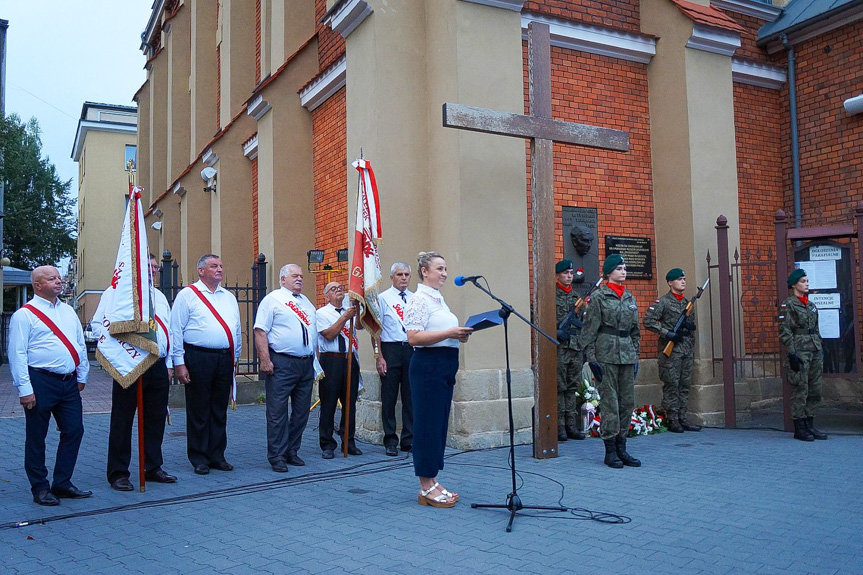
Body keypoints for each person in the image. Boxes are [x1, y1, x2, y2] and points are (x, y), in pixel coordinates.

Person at [7, 266, 91, 505]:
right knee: (37, 437)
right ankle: (40, 488)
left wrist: (82, 375)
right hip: (40, 381)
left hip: (68, 382)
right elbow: (17, 354)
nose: (59, 281)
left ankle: (62, 483)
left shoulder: (68, 312)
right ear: (38, 285)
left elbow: (79, 344)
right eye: (51, 278)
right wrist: (25, 390)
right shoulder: (25, 315)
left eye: (58, 277)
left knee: (74, 430)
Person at [93, 254, 178, 491]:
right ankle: (118, 472)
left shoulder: (159, 296)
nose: (153, 271)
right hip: (128, 363)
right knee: (122, 420)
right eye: (147, 267)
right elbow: (98, 324)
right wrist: (122, 346)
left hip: (157, 364)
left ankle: (152, 466)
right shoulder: (115, 293)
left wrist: (169, 362)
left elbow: (167, 331)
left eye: (155, 267)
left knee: (155, 419)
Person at [405, 251, 472, 508]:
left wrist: (457, 336)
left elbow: (440, 333)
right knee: (427, 425)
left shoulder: (439, 300)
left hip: (445, 365)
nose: (444, 273)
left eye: (445, 269)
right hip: (428, 367)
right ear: (425, 271)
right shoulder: (419, 299)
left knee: (439, 424)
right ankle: (425, 486)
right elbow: (413, 337)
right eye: (439, 269)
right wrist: (450, 332)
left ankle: (432, 478)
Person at [170, 254, 241, 474]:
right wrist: (179, 363)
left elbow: (236, 329)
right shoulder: (188, 295)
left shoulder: (228, 297)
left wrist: (235, 358)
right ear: (201, 270)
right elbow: (176, 330)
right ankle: (199, 457)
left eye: (221, 265)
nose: (220, 269)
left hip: (224, 358)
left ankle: (217, 455)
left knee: (219, 409)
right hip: (198, 357)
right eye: (214, 266)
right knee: (199, 408)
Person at [580, 254, 641, 469]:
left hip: (626, 355)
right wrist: (591, 358)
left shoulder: (630, 297)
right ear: (609, 272)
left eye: (625, 268)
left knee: (627, 403)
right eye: (619, 268)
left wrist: (636, 356)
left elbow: (635, 331)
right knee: (610, 404)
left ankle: (622, 447)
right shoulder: (598, 297)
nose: (623, 272)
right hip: (605, 356)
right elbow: (589, 330)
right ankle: (610, 451)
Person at [254, 264, 317, 472]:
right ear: (283, 280)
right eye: (294, 276)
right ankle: (277, 455)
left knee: (301, 411)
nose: (299, 279)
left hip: (305, 363)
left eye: (301, 276)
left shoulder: (306, 302)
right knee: (277, 411)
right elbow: (260, 331)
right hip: (282, 362)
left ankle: (292, 450)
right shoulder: (273, 300)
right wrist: (265, 359)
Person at [642, 268, 701, 434]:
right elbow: (649, 321)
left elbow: (690, 329)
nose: (683, 281)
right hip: (671, 352)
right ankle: (672, 418)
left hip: (686, 350)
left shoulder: (687, 304)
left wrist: (689, 328)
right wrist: (667, 333)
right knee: (671, 384)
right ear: (670, 283)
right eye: (679, 279)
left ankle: (683, 416)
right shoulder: (663, 303)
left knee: (684, 384)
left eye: (684, 278)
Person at [779, 268, 827, 441]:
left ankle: (810, 425)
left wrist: (820, 347)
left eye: (807, 281)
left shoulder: (811, 305)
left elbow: (816, 328)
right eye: (803, 281)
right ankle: (799, 427)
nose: (806, 284)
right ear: (794, 284)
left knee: (815, 389)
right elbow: (785, 331)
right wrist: (792, 352)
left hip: (814, 349)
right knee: (801, 388)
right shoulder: (788, 304)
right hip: (800, 351)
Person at [372, 262, 414, 456]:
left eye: (406, 274)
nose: (403, 278)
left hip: (412, 349)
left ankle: (409, 439)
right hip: (390, 349)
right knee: (389, 397)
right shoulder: (383, 299)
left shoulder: (415, 299)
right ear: (391, 277)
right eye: (399, 274)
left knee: (411, 397)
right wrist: (379, 356)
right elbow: (376, 331)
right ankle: (390, 440)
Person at [316, 281, 361, 459]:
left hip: (350, 359)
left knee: (350, 403)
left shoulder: (349, 311)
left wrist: (356, 312)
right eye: (333, 289)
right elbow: (329, 334)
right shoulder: (321, 313)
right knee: (329, 403)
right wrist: (344, 318)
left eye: (340, 288)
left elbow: (359, 327)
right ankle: (327, 443)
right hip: (331, 360)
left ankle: (348, 441)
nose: (338, 291)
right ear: (326, 295)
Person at [555, 259, 585, 442]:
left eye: (571, 273)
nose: (569, 276)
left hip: (575, 347)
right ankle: (559, 427)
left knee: (572, 386)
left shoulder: (577, 298)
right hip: (558, 347)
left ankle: (571, 424)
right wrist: (555, 331)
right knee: (560, 387)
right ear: (557, 275)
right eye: (565, 273)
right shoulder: (549, 295)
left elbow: (585, 323)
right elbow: (538, 318)